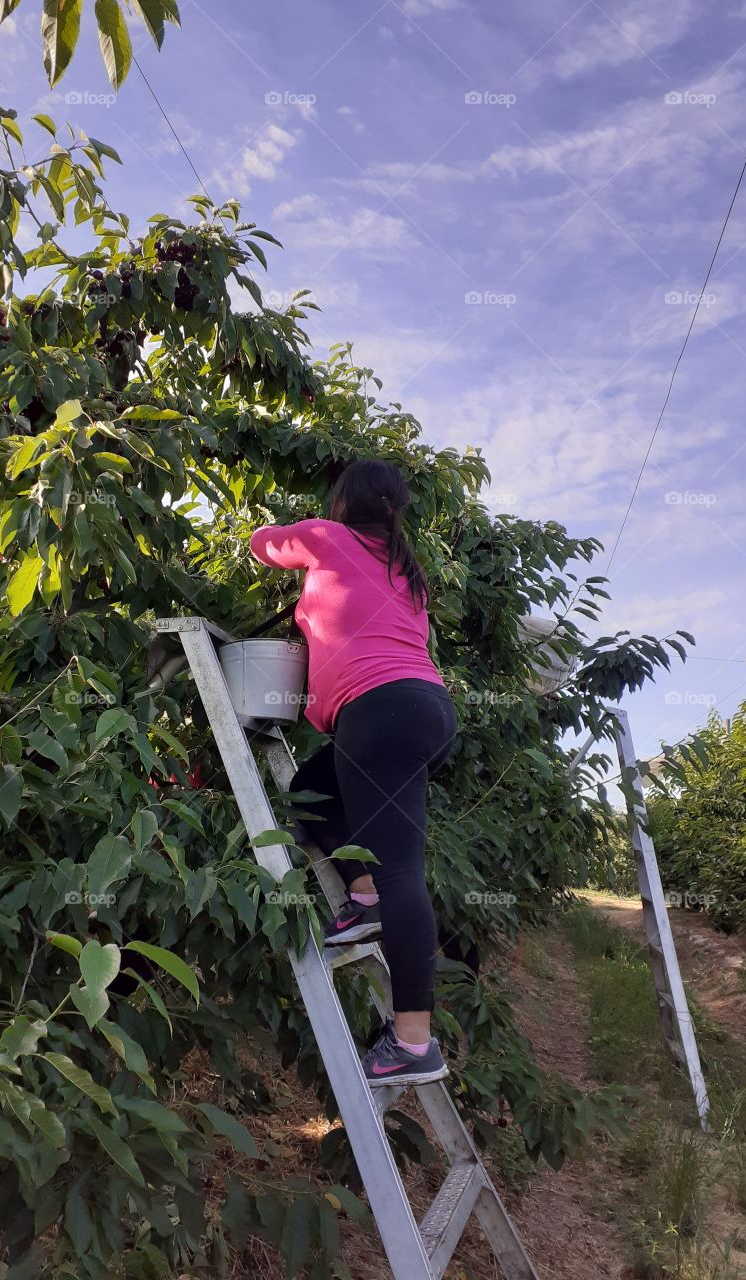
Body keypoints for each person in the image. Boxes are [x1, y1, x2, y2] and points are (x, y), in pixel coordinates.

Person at [249, 458, 457, 1087]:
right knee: (309, 792)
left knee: (401, 870)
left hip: (381, 712)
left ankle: (415, 1041)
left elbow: (262, 546)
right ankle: (362, 899)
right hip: (421, 711)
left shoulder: (326, 537)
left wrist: (274, 531)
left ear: (343, 503)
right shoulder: (405, 570)